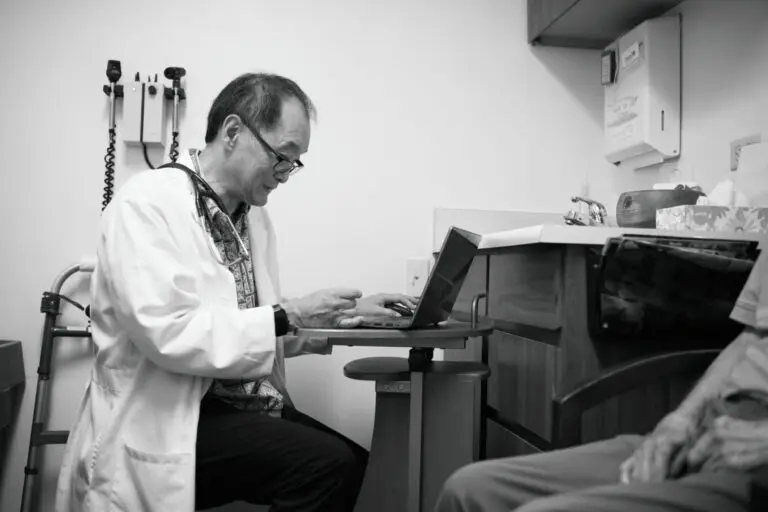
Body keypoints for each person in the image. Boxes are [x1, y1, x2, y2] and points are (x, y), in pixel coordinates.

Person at [55, 72, 416, 512]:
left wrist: (345, 315)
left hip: (236, 406)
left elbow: (252, 326)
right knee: (327, 466)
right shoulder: (146, 205)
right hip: (164, 418)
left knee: (357, 465)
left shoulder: (252, 218)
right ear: (232, 132)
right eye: (282, 157)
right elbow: (170, 335)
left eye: (294, 163)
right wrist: (291, 314)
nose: (285, 175)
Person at [435, 249, 768, 512]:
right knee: (468, 490)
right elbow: (750, 336)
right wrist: (680, 420)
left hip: (755, 460)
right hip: (710, 432)